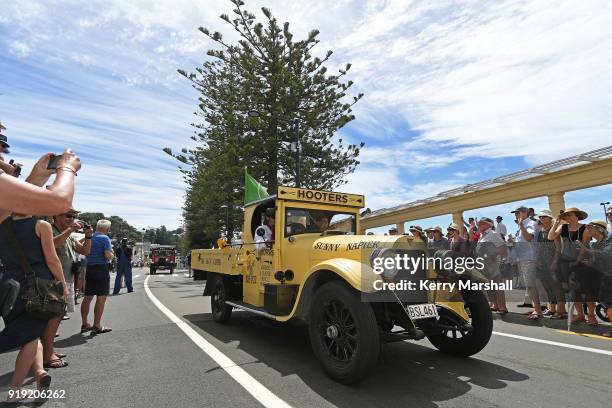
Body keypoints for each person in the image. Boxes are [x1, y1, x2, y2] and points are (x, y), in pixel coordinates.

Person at [0, 214, 69, 399]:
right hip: (37, 286)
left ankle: (39, 372)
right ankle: (15, 390)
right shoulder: (41, 225)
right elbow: (52, 259)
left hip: (9, 286)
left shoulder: (2, 224)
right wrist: (62, 286)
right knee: (30, 335)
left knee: (31, 334)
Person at [42, 209, 92, 369]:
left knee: (59, 316)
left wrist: (89, 236)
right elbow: (50, 244)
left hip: (66, 280)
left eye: (74, 216)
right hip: (54, 281)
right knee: (53, 317)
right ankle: (47, 355)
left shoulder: (68, 234)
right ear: (55, 216)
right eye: (68, 216)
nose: (72, 219)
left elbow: (84, 251)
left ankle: (49, 350)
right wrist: (71, 229)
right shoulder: (49, 229)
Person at [548, 207, 594, 324]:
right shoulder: (562, 227)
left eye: (571, 215)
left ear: (577, 216)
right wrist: (556, 223)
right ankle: (580, 315)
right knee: (574, 289)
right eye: (566, 216)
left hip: (582, 262)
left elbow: (584, 247)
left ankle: (591, 316)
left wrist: (577, 261)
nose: (568, 218)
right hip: (566, 261)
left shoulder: (585, 228)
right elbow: (551, 237)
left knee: (587, 289)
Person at [577, 220, 612, 336]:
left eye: (590, 228)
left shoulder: (609, 241)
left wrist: (586, 250)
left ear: (599, 229)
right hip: (604, 277)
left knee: (609, 303)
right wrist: (589, 263)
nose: (588, 230)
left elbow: (606, 254)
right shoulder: (597, 244)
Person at [81, 219, 114, 335]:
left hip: (89, 268)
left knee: (87, 297)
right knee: (101, 297)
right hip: (101, 269)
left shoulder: (90, 237)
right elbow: (108, 256)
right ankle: (97, 325)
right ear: (107, 229)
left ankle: (85, 324)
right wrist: (112, 254)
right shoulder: (105, 238)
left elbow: (81, 246)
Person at [511, 206, 542, 319]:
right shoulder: (522, 225)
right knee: (529, 285)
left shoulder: (529, 223)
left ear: (525, 213)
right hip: (523, 258)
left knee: (531, 285)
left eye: (517, 212)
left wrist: (521, 226)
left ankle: (538, 310)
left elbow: (529, 238)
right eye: (515, 213)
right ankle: (536, 308)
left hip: (529, 258)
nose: (516, 214)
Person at [535, 210, 564, 318]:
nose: (542, 218)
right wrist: (538, 259)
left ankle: (561, 310)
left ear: (550, 218)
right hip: (543, 262)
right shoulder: (541, 231)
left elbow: (558, 248)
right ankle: (552, 308)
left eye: (544, 216)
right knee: (547, 284)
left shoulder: (554, 229)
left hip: (552, 260)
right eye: (540, 216)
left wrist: (555, 262)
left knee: (556, 285)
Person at [476, 217, 508, 313]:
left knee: (497, 285)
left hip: (493, 264)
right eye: (479, 224)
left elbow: (503, 246)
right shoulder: (482, 235)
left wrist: (494, 254)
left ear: (489, 225)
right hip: (484, 264)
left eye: (482, 223)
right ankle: (495, 304)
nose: (479, 225)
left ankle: (503, 307)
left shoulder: (493, 234)